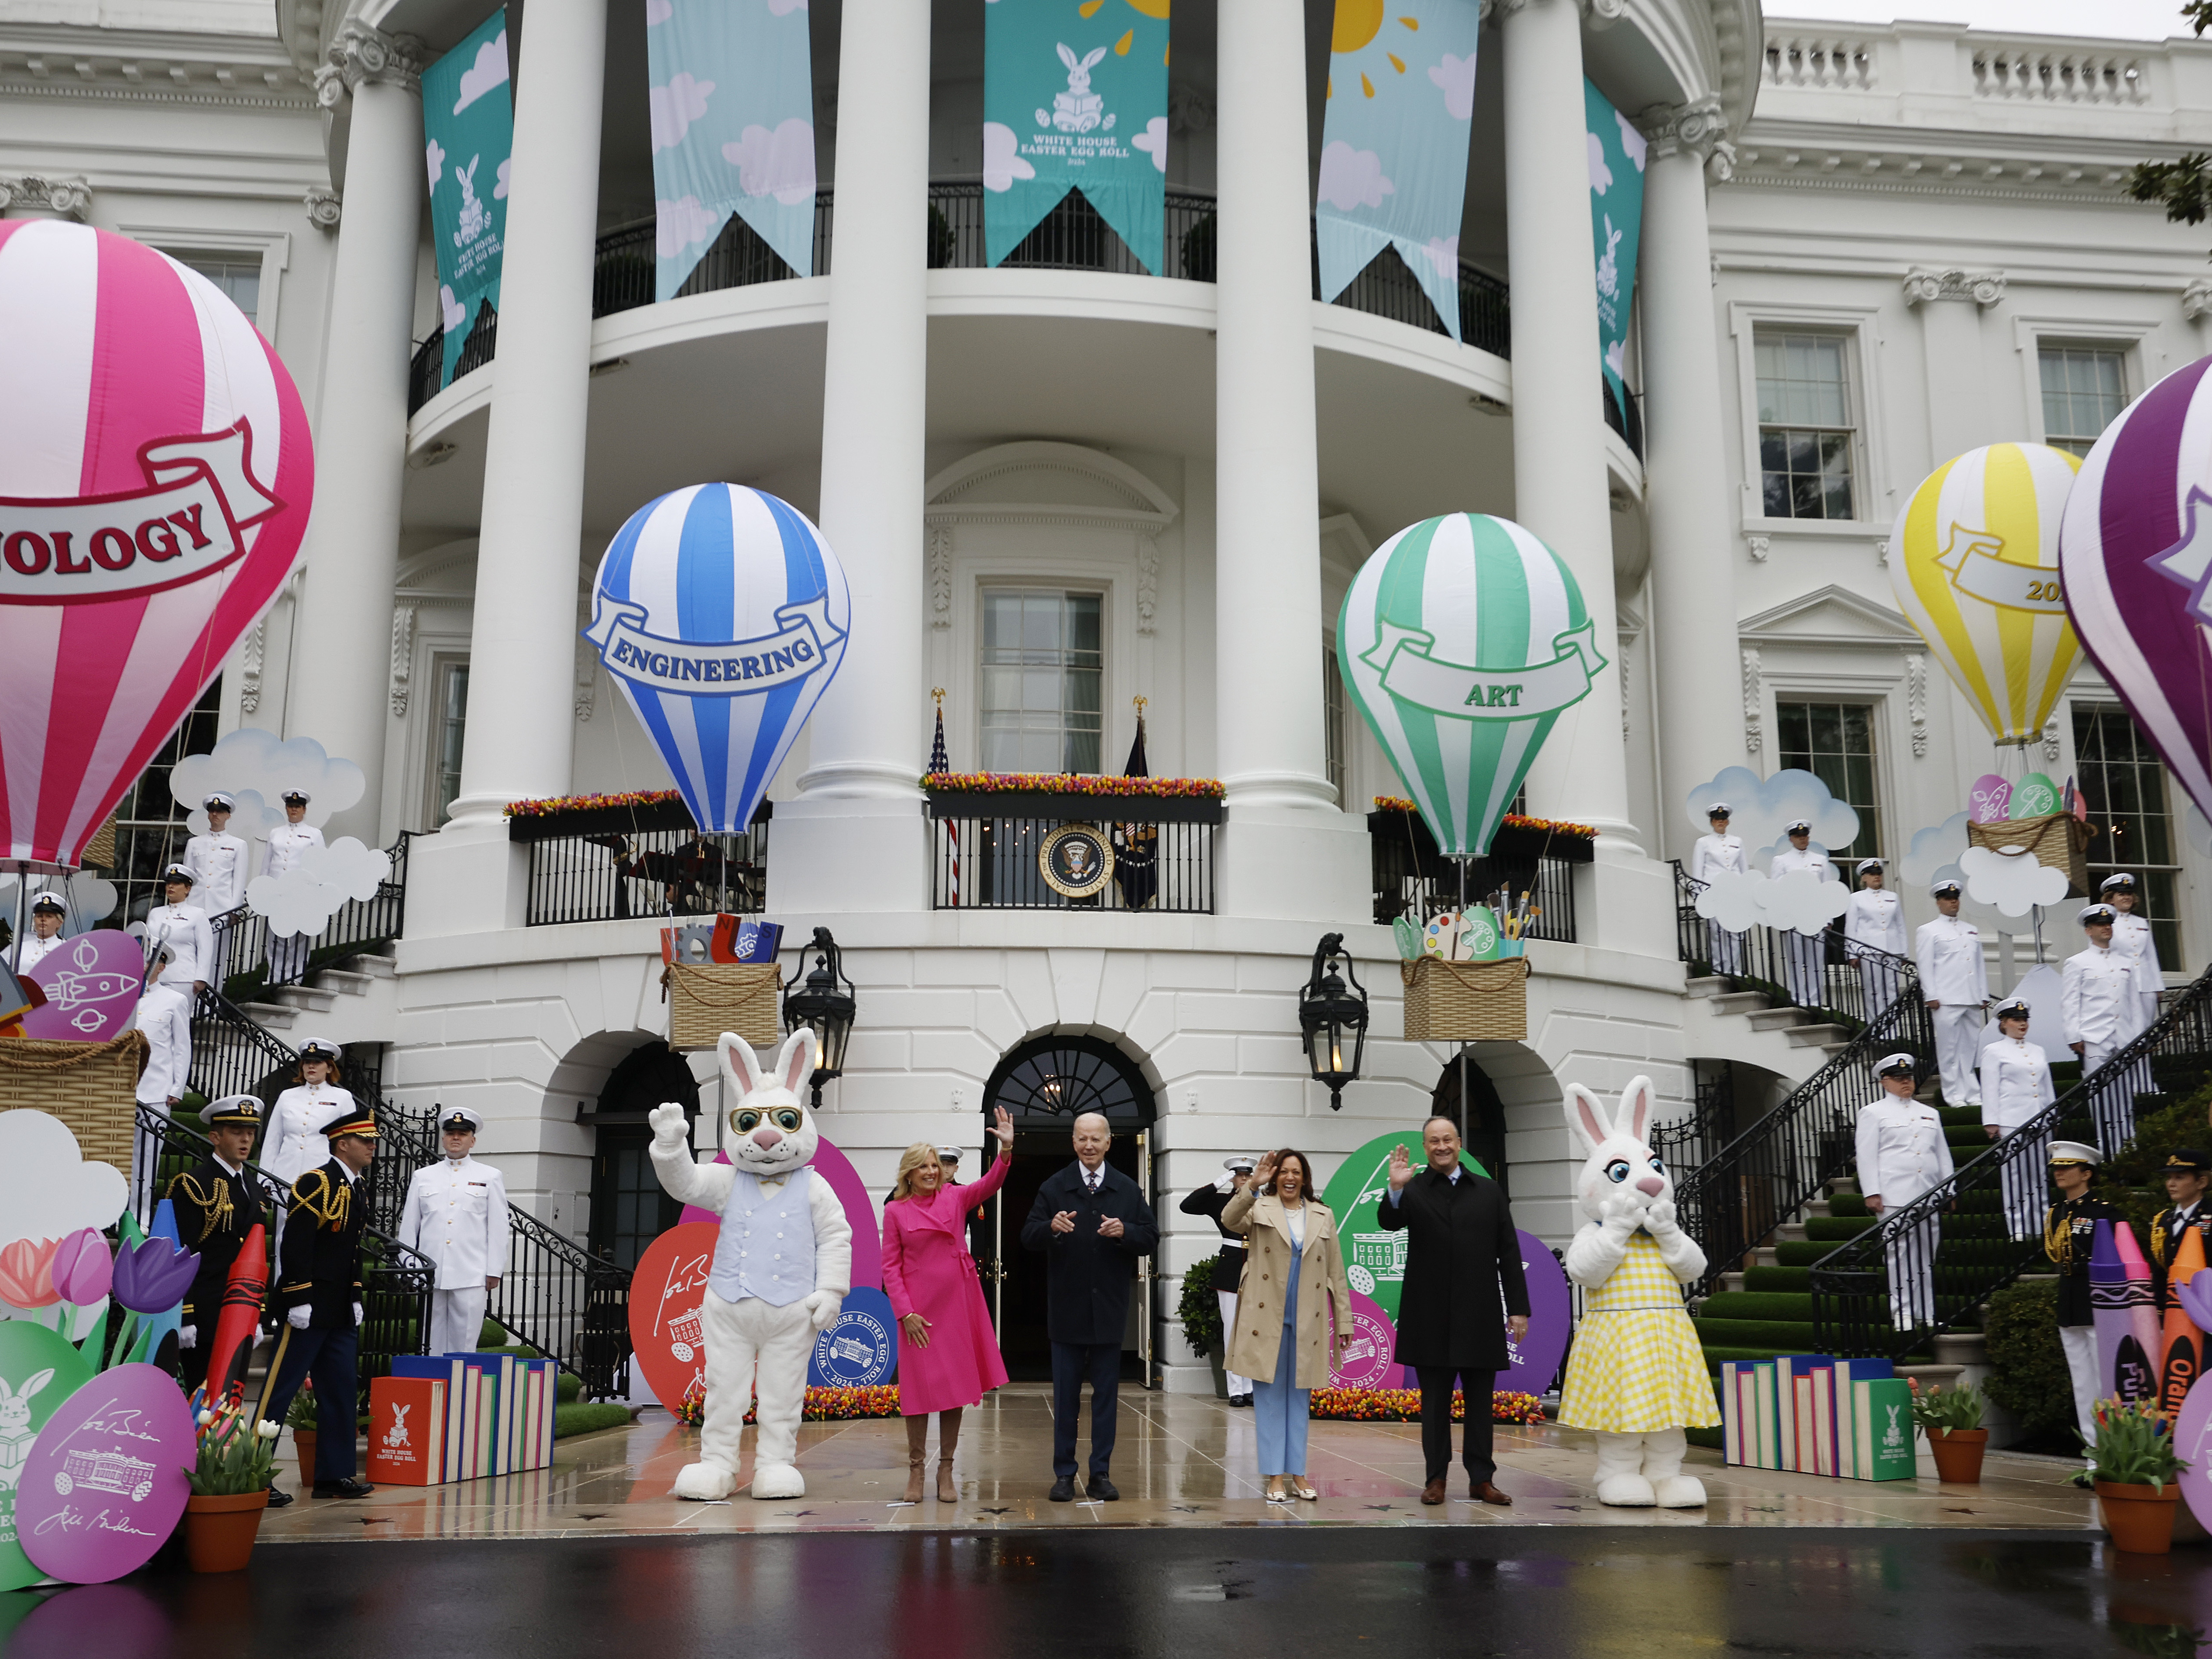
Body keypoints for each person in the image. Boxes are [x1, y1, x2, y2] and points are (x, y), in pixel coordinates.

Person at [1376, 1114, 1529, 1507]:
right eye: (1433, 1142)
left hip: (1478, 1315)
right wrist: (1394, 1189)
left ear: (1459, 1143)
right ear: (1425, 1148)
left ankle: (1482, 1479)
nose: (1441, 1147)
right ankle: (1436, 1479)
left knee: (1480, 1405)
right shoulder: (1413, 1189)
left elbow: (1509, 1253)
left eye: (1447, 1139)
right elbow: (1389, 1223)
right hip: (1429, 1317)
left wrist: (1519, 1309)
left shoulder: (1488, 1191)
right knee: (1434, 1405)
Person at [1020, 1110, 1158, 1504]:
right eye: (1082, 1139)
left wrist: (1125, 1232)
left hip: (1109, 1312)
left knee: (1105, 1400)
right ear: (1074, 1142)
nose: (1089, 1146)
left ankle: (1101, 1474)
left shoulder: (1126, 1188)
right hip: (1066, 1310)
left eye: (1096, 1139)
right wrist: (1050, 1227)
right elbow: (1027, 1235)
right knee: (1065, 1400)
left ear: (1109, 1142)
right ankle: (1064, 1474)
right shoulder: (1055, 1186)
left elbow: (1150, 1237)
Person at [881, 1107, 1015, 1503]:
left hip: (957, 1304)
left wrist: (1005, 1150)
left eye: (935, 1166)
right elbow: (890, 1265)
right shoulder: (894, 1211)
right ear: (909, 1173)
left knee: (954, 1390)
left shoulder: (956, 1198)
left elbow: (992, 1183)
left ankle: (946, 1472)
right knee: (920, 1392)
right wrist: (905, 1313)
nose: (931, 1172)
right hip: (918, 1313)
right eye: (922, 1167)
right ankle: (915, 1470)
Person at [258, 1102, 377, 1498]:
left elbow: (352, 1251)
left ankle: (333, 1475)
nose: (372, 1147)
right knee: (280, 1390)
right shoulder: (316, 1182)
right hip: (308, 1307)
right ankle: (256, 1473)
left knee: (341, 1393)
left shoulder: (354, 1186)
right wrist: (298, 1296)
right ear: (342, 1144)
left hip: (339, 1307)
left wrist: (355, 1294)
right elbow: (296, 1245)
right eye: (365, 1140)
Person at [1221, 1148, 1352, 1502]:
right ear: (1276, 1177)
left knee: (1299, 1400)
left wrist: (1345, 1320)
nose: (1290, 1178)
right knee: (1269, 1400)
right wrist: (1252, 1186)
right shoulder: (1259, 1207)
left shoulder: (1323, 1215)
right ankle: (1275, 1477)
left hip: (1307, 1317)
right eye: (1284, 1172)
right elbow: (1229, 1219)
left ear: (1305, 1179)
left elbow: (1335, 1271)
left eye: (1296, 1172)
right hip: (1267, 1317)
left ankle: (1299, 1474)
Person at [165, 1095, 271, 1395]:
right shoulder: (194, 1185)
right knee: (201, 1399)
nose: (246, 1139)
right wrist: (186, 1315)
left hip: (240, 1310)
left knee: (229, 1401)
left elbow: (258, 1258)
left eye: (250, 1133)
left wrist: (259, 1313)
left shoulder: (252, 1187)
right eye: (237, 1132)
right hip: (205, 1313)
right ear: (215, 1137)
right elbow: (180, 1253)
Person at [400, 1106, 512, 1356]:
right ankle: (434, 1388)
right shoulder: (423, 1176)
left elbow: (497, 1228)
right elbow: (410, 1226)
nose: (456, 1138)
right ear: (443, 1138)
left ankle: (459, 1390)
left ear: (473, 1140)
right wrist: (410, 1268)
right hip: (430, 1269)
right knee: (430, 1341)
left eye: (462, 1133)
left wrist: (494, 1270)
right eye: (451, 1133)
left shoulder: (490, 1176)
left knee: (465, 1343)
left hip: (471, 1270)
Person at [1854, 1053, 1953, 1329]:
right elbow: (1867, 1156)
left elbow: (1942, 1154)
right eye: (1899, 1079)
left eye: (1908, 1078)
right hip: (1894, 1195)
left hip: (1928, 1193)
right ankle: (1904, 1312)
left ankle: (1927, 1312)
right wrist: (1872, 1192)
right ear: (1885, 1082)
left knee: (1926, 1255)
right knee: (1899, 1254)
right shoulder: (1873, 1112)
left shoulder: (1930, 1113)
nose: (1905, 1083)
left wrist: (1949, 1189)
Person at [2045, 1140, 2123, 1456]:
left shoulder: (2103, 1212)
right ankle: (2093, 1457)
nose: (2059, 1173)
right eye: (2056, 1168)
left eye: (2066, 1168)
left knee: (2106, 1381)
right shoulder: (2055, 1213)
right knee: (2081, 1385)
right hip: (2070, 1301)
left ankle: (2114, 1452)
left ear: (2086, 1173)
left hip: (2099, 1302)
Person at [2065, 902, 2150, 1151]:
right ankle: (2106, 1144)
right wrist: (2074, 1036)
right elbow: (2071, 1003)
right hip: (2094, 1037)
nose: (2106, 928)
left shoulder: (2125, 961)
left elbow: (2134, 1003)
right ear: (2088, 931)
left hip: (2124, 1037)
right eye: (2100, 925)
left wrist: (2139, 1037)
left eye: (2108, 924)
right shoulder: (2078, 962)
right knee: (2099, 1095)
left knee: (2124, 1092)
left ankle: (2128, 1141)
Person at [1180, 1154, 1258, 1405]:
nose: (1243, 1180)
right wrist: (1218, 1183)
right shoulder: (1221, 1202)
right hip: (1231, 1267)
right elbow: (1188, 1205)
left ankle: (1251, 1388)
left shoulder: (1264, 1202)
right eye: (1238, 1176)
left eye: (1247, 1175)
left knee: (1255, 1330)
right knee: (1233, 1329)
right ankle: (1236, 1389)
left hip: (1259, 1267)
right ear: (1232, 1178)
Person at [1979, 998, 2056, 1241]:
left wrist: (2051, 1114)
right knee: (2015, 1175)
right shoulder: (1994, 1051)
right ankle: (2019, 1227)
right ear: (2003, 1023)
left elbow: (2046, 1086)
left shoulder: (2038, 1050)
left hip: (2039, 1119)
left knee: (2040, 1174)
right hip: (2012, 1119)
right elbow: (1989, 1089)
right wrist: (1991, 1122)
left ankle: (2042, 1223)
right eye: (2016, 1020)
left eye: (2025, 1020)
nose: (2022, 1024)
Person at [130, 936, 194, 1215]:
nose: (143, 965)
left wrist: (177, 1088)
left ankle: (139, 1217)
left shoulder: (174, 1000)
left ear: (162, 967)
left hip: (155, 1090)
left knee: (146, 1160)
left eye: (150, 960)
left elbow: (182, 1047)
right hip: (118, 1088)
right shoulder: (122, 996)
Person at [1916, 879, 1989, 1112]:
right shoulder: (1928, 930)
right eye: (1948, 899)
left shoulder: (1971, 929)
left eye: (1956, 898)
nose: (1953, 902)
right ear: (1939, 903)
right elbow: (1925, 965)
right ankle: (1952, 1093)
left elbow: (1978, 964)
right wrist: (1930, 994)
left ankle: (1971, 1092)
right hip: (1946, 997)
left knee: (1969, 1048)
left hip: (1970, 996)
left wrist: (1983, 993)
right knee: (1948, 1050)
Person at [265, 1039, 354, 1191]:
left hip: (323, 1179)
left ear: (329, 1068)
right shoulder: (287, 1096)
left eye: (317, 1062)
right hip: (285, 1178)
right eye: (307, 1062)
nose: (311, 1066)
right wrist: (266, 1179)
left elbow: (350, 1143)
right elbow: (273, 1140)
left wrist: (350, 1181)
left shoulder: (343, 1097)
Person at [1769, 819, 1833, 1008]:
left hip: (1815, 917)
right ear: (1791, 839)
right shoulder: (1781, 861)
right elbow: (1777, 892)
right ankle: (1799, 998)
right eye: (1798, 836)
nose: (1803, 839)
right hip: (1793, 917)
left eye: (1805, 836)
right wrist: (1781, 920)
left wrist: (1828, 919)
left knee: (1816, 962)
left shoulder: (1820, 860)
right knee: (1796, 961)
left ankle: (1815, 1000)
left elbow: (1826, 890)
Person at [263, 788, 324, 984]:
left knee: (299, 937)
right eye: (290, 806)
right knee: (276, 935)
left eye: (297, 807)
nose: (294, 810)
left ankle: (295, 976)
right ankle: (276, 975)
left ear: (304, 809)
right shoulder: (275, 833)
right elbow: (267, 863)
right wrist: (262, 887)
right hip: (277, 891)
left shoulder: (314, 834)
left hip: (301, 891)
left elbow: (320, 865)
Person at [2149, 1149, 2212, 1311]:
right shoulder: (2163, 1220)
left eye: (2179, 1177)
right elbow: (2160, 1271)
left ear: (2202, 1182)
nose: (2171, 1184)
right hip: (2173, 1309)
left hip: (2206, 1308)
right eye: (2169, 1178)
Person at [1844, 858, 1906, 1018]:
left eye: (1879, 874)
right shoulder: (1856, 898)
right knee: (1873, 989)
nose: (1876, 877)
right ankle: (1875, 1026)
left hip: (1892, 949)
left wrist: (1903, 952)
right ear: (1864, 878)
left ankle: (1892, 1029)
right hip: (1868, 950)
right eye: (1872, 874)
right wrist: (1852, 954)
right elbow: (1851, 928)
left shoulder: (1893, 896)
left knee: (1892, 989)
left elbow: (1900, 926)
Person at [1689, 803, 1747, 974]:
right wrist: (1700, 895)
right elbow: (1698, 871)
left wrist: (1746, 890)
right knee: (1717, 931)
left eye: (1723, 819)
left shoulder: (1737, 842)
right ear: (1712, 822)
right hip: (1713, 890)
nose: (1720, 822)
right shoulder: (1703, 843)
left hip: (1735, 890)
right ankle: (1719, 966)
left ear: (1727, 821)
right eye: (1717, 820)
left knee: (1736, 930)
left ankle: (1735, 967)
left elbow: (1744, 869)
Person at [2102, 874, 2164, 1029]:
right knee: (2126, 1028)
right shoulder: (2106, 924)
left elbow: (2151, 955)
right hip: (2121, 983)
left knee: (2146, 1029)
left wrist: (2158, 986)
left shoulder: (2141, 922)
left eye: (2129, 894)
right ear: (2111, 899)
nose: (2126, 898)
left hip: (2146, 984)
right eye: (2121, 894)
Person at [144, 863, 213, 1001]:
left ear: (188, 889)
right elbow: (147, 944)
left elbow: (206, 948)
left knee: (179, 1020)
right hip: (153, 976)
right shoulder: (155, 913)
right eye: (169, 883)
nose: (171, 887)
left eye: (176, 884)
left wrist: (201, 978)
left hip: (182, 978)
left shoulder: (198, 914)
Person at [184, 791, 249, 918]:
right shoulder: (194, 843)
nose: (215, 814)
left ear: (228, 816)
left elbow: (239, 882)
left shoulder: (238, 845)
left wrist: (233, 911)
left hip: (222, 908)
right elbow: (188, 879)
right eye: (212, 811)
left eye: (220, 812)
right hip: (195, 906)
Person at [6, 893, 66, 975]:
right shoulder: (19, 946)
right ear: (34, 920)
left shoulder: (65, 949)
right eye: (39, 916)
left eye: (49, 916)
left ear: (59, 922)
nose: (43, 920)